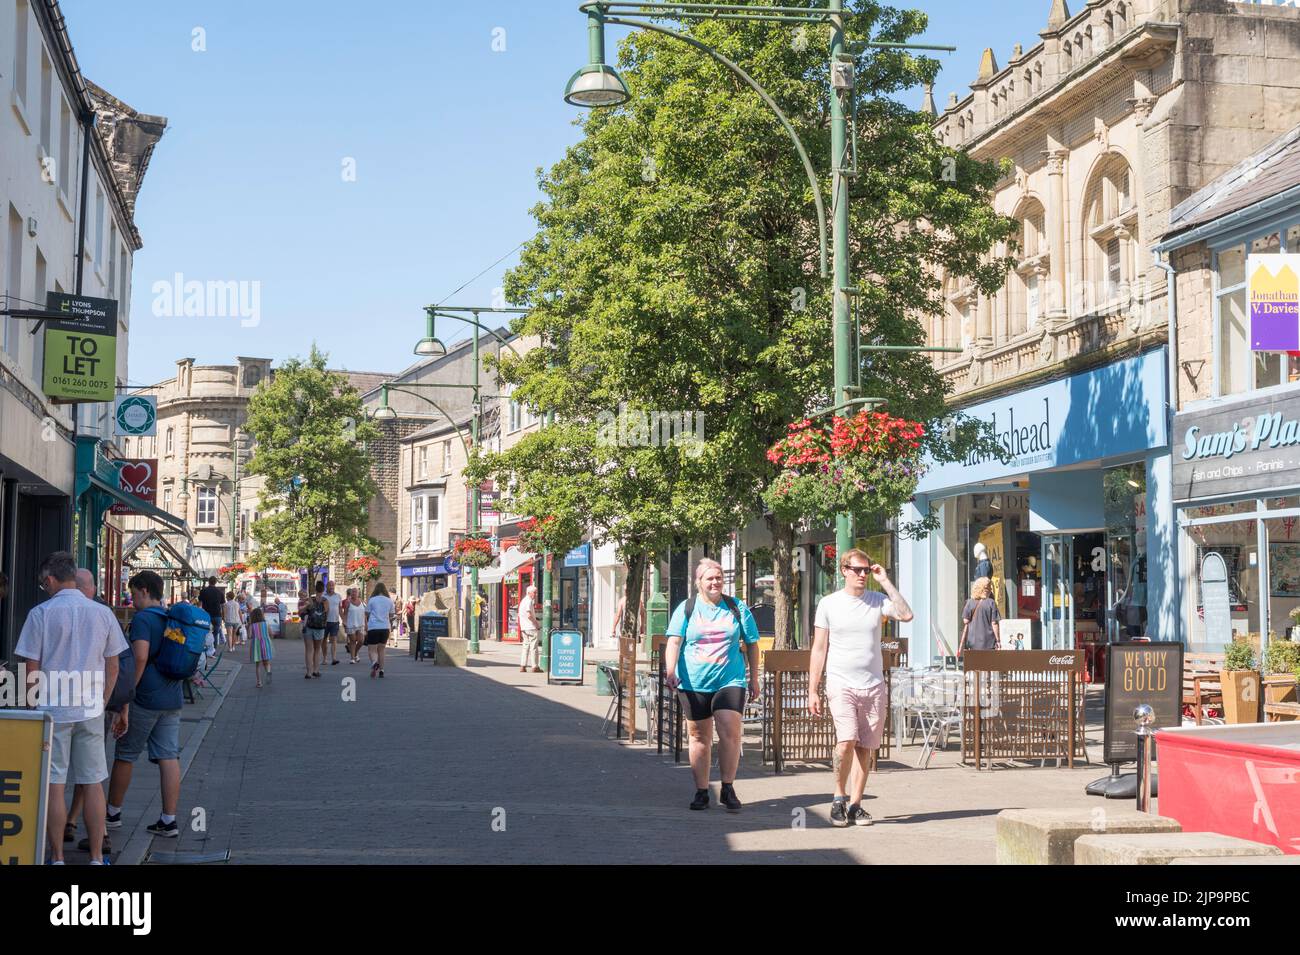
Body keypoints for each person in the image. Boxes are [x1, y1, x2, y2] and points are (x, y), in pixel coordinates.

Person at [16, 552, 125, 864]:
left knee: (54, 784)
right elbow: (114, 666)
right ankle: (94, 857)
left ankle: (58, 856)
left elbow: (31, 670)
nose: (43, 588)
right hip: (90, 710)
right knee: (92, 783)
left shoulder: (41, 614)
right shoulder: (102, 614)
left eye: (43, 584)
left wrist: (30, 709)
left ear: (50, 580)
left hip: (52, 712)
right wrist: (101, 702)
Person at [809, 549, 913, 828]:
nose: (863, 575)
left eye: (866, 570)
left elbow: (906, 615)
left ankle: (856, 804)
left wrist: (886, 582)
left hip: (873, 684)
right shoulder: (829, 604)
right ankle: (838, 798)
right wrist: (812, 689)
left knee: (865, 746)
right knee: (846, 741)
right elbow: (819, 649)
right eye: (857, 570)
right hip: (841, 682)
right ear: (844, 570)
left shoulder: (878, 600)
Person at [662, 559, 760, 813]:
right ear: (699, 583)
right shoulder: (688, 608)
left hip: (730, 679)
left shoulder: (737, 607)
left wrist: (754, 678)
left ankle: (727, 787)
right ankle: (702, 790)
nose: (715, 582)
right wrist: (670, 670)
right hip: (693, 681)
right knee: (699, 736)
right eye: (710, 578)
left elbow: (752, 644)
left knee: (730, 730)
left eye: (719, 577)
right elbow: (674, 641)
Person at [107, 570, 186, 840]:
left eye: (132, 593)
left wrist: (128, 693)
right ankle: (169, 819)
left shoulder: (143, 619)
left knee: (125, 754)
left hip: (145, 698)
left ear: (142, 590)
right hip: (172, 696)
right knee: (169, 756)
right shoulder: (170, 617)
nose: (132, 599)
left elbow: (140, 657)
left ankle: (113, 814)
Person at [67, 569, 135, 856]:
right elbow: (121, 666)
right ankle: (95, 837)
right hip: (96, 706)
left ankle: (62, 840)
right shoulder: (104, 614)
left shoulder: (53, 612)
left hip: (61, 704)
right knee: (91, 771)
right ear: (91, 588)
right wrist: (119, 706)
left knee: (57, 776)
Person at [959, 576, 1001, 654]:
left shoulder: (969, 602)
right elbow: (994, 623)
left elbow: (966, 620)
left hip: (973, 642)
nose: (991, 590)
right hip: (989, 643)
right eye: (989, 588)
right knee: (988, 665)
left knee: (975, 665)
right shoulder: (991, 603)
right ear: (985, 590)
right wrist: (998, 640)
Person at [365, 582, 394, 677]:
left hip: (373, 627)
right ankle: (382, 670)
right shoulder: (389, 601)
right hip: (385, 627)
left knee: (372, 649)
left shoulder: (372, 600)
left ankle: (374, 663)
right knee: (381, 650)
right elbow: (391, 615)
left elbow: (367, 614)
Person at [302, 582, 327, 678]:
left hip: (309, 627)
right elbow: (326, 614)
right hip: (320, 628)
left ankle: (309, 672)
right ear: (323, 589)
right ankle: (316, 671)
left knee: (309, 650)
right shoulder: (325, 601)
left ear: (315, 589)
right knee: (317, 650)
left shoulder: (310, 600)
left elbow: (303, 612)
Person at [247, 606, 274, 687]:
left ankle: (259, 682)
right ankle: (268, 672)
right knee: (267, 662)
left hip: (256, 646)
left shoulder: (252, 625)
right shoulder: (266, 624)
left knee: (258, 665)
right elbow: (271, 634)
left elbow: (249, 636)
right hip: (266, 644)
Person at [518, 585, 541, 673]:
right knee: (534, 647)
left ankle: (523, 665)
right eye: (534, 592)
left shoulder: (523, 601)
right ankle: (535, 666)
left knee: (525, 646)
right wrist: (536, 624)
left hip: (524, 627)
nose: (536, 594)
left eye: (536, 592)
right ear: (528, 593)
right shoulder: (529, 601)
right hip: (530, 627)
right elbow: (529, 615)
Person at [198, 576, 225, 646]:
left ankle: (206, 649)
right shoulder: (220, 592)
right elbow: (222, 606)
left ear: (208, 582)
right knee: (215, 634)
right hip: (217, 615)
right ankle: (213, 651)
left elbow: (200, 605)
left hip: (206, 615)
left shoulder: (203, 591)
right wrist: (223, 617)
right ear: (216, 582)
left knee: (205, 632)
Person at [323, 579, 342, 666]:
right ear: (326, 586)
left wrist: (343, 619)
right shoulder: (323, 596)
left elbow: (340, 609)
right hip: (324, 622)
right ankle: (324, 658)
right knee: (324, 640)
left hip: (335, 621)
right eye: (329, 585)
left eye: (332, 585)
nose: (331, 587)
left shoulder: (338, 596)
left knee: (334, 640)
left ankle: (334, 658)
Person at [344, 587, 366, 663]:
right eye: (353, 592)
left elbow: (365, 614)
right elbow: (345, 613)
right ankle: (352, 658)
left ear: (358, 593)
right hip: (351, 623)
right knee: (353, 641)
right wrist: (344, 622)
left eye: (355, 592)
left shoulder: (362, 601)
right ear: (351, 593)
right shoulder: (348, 602)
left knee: (361, 641)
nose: (354, 593)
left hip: (360, 624)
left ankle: (355, 653)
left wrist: (366, 624)